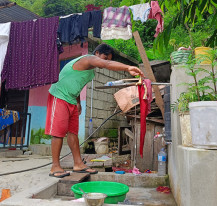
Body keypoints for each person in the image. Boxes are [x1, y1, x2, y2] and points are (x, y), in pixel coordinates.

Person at [45, 44, 144, 178]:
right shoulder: (88, 59)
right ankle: (55, 166)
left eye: (106, 59)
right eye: (104, 57)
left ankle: (78, 164)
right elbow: (106, 64)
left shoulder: (90, 70)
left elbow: (76, 83)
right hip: (60, 96)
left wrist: (78, 102)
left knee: (73, 133)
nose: (104, 61)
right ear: (97, 53)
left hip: (72, 100)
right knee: (58, 132)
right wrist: (128, 67)